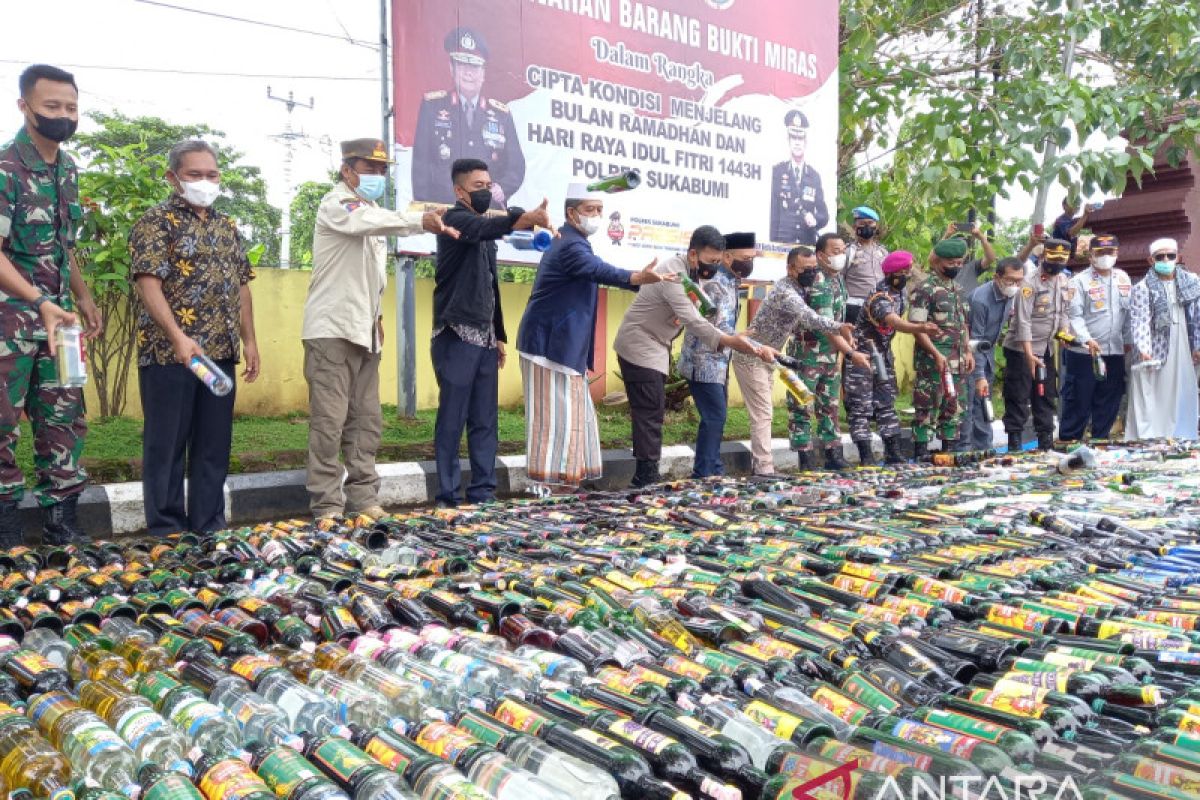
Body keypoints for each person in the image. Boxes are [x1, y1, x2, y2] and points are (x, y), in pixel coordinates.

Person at [303, 138, 455, 521]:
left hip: (365, 331)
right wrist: (418, 219)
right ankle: (327, 505)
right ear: (347, 170)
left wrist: (378, 318)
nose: (377, 175)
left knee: (366, 421)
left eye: (383, 169)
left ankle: (363, 500)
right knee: (329, 422)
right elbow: (366, 223)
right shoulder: (338, 204)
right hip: (332, 330)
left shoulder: (370, 210)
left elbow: (367, 276)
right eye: (369, 168)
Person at [129, 141, 258, 536]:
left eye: (212, 174)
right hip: (171, 355)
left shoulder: (227, 227)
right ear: (173, 178)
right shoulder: (156, 222)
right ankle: (166, 528)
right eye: (195, 174)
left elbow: (241, 287)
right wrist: (178, 337)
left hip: (217, 355)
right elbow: (148, 285)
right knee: (167, 445)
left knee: (212, 445)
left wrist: (249, 340)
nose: (205, 181)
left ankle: (208, 523)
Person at [0, 64, 102, 546]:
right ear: (25, 107)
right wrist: (39, 300)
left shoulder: (68, 169)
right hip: (10, 322)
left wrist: (81, 295)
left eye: (71, 107)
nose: (63, 116)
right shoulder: (5, 168)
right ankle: (5, 534)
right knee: (1, 423)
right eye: (52, 107)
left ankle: (62, 526)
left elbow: (64, 246)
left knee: (65, 417)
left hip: (60, 324)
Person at [515, 183, 666, 491]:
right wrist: (635, 277)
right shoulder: (569, 244)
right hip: (549, 346)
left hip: (563, 347)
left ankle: (568, 484)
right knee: (554, 420)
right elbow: (597, 269)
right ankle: (551, 489)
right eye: (590, 210)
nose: (596, 216)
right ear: (571, 213)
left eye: (599, 210)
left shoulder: (574, 241)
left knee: (573, 418)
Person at [613, 225, 773, 487]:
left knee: (653, 411)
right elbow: (692, 319)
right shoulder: (674, 273)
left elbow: (694, 314)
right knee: (650, 411)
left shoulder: (696, 274)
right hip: (639, 344)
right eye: (710, 261)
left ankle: (651, 473)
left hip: (657, 345)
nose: (713, 268)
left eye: (717, 262)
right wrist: (726, 340)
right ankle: (646, 477)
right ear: (692, 254)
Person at [434, 158, 549, 506]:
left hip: (484, 338)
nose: (485, 191)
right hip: (455, 333)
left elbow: (491, 285)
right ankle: (448, 497)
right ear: (459, 191)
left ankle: (483, 493)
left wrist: (498, 334)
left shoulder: (484, 227)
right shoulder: (454, 220)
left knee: (485, 420)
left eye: (488, 185)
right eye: (477, 187)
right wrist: (523, 219)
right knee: (452, 419)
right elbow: (481, 228)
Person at [732, 247, 864, 475]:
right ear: (790, 268)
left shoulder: (801, 287)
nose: (812, 273)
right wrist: (838, 327)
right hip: (750, 355)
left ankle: (766, 467)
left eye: (814, 268)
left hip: (768, 356)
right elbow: (808, 317)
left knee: (768, 412)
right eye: (806, 269)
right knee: (764, 414)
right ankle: (764, 470)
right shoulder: (786, 292)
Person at [844, 251, 940, 465]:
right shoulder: (880, 296)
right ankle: (866, 455)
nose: (906, 275)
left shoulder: (900, 293)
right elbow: (894, 322)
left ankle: (893, 452)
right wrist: (921, 327)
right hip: (863, 356)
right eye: (903, 272)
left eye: (908, 271)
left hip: (883, 356)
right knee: (861, 406)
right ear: (891, 273)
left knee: (886, 403)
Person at [412, 27, 525, 208]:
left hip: (487, 212)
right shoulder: (432, 107)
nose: (468, 73)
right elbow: (421, 163)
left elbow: (516, 166)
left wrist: (502, 188)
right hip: (447, 210)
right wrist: (425, 207)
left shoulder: (500, 114)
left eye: (474, 66)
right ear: (451, 68)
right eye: (462, 65)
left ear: (483, 73)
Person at [678, 231, 755, 478]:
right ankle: (704, 474)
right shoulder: (714, 283)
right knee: (714, 417)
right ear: (728, 257)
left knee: (716, 418)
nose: (749, 262)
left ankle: (713, 468)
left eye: (752, 257)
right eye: (745, 257)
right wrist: (738, 340)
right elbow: (709, 324)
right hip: (703, 360)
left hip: (720, 360)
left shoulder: (732, 281)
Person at [1001, 238, 1072, 452]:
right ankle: (1014, 444)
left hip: (1046, 348)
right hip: (1021, 349)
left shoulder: (1064, 281)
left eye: (1062, 259)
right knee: (1018, 395)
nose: (1057, 263)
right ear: (1042, 257)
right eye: (1053, 258)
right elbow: (1022, 321)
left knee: (1045, 395)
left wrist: (1065, 335)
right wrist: (1029, 355)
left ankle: (1045, 443)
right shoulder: (1029, 283)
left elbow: (1063, 313)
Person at [1126, 238, 1200, 441]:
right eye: (1160, 257)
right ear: (1151, 260)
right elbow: (1140, 320)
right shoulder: (1142, 288)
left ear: (1178, 257)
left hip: (1185, 343)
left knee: (1183, 389)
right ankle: (1152, 438)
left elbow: (1197, 316)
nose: (1166, 260)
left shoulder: (1192, 282)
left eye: (1170, 255)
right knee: (1154, 393)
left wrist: (1198, 345)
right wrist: (1143, 348)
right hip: (1156, 347)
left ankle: (1184, 437)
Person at [787, 232, 850, 469]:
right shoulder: (814, 279)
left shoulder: (838, 280)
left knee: (830, 406)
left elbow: (839, 321)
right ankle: (806, 459)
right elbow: (825, 325)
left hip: (831, 355)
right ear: (821, 255)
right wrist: (848, 351)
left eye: (843, 251)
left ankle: (833, 455)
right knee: (801, 405)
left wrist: (840, 356)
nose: (841, 256)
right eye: (836, 252)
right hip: (806, 355)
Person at [907, 238, 975, 458]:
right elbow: (917, 328)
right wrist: (936, 354)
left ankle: (948, 449)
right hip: (932, 359)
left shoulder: (958, 289)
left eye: (959, 262)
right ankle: (921, 451)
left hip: (957, 359)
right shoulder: (925, 289)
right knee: (926, 405)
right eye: (951, 262)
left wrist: (968, 351)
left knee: (953, 404)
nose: (956, 266)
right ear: (938, 262)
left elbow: (963, 323)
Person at [1059, 234, 1130, 442]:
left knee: (1108, 404)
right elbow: (1074, 316)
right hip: (1084, 353)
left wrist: (1129, 341)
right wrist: (1086, 339)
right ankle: (1067, 446)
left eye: (1111, 252)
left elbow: (1128, 315)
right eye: (1101, 253)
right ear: (1091, 255)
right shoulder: (1079, 282)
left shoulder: (1123, 278)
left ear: (1117, 253)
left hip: (1114, 352)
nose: (1106, 257)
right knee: (1078, 404)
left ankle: (1100, 446)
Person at [966, 257, 1025, 451]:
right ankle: (970, 451)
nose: (1015, 285)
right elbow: (974, 341)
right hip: (968, 353)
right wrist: (979, 376)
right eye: (1010, 280)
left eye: (1019, 281)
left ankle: (984, 447)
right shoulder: (980, 300)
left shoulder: (1010, 294)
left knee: (984, 399)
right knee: (972, 401)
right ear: (996, 277)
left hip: (987, 350)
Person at [768, 110, 827, 245]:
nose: (797, 143)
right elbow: (774, 212)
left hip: (806, 244)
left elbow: (824, 215)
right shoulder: (777, 172)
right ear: (788, 140)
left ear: (805, 142)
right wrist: (772, 243)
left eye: (800, 139)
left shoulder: (814, 176)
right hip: (782, 244)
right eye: (793, 138)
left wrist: (815, 219)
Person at [842, 206, 888, 324]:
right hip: (855, 307)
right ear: (854, 227)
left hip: (879, 306)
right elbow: (839, 279)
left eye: (870, 223)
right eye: (862, 223)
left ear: (876, 226)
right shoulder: (849, 251)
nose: (867, 226)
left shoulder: (883, 253)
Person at [947, 222, 998, 293]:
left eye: (963, 248)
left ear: (968, 252)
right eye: (955, 247)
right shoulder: (943, 265)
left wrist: (982, 237)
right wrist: (947, 235)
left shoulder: (972, 267)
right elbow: (934, 257)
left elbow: (990, 258)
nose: (959, 251)